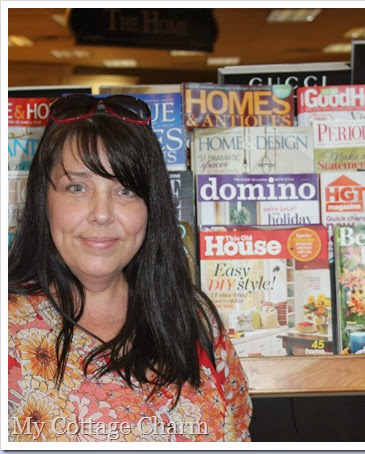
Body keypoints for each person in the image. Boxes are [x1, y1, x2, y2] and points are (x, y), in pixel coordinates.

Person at [8, 94, 252, 442]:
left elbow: (239, 433)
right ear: (42, 199)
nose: (102, 214)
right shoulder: (11, 330)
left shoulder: (194, 318)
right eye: (77, 187)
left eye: (125, 190)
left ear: (152, 205)